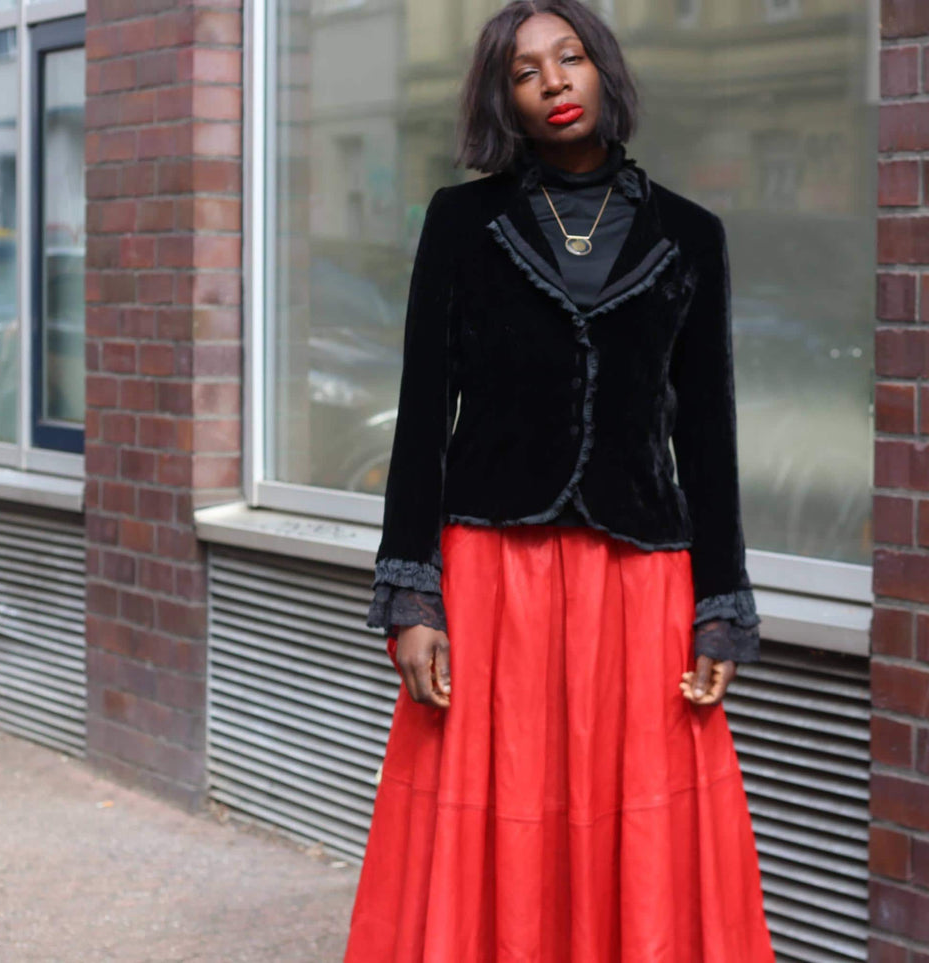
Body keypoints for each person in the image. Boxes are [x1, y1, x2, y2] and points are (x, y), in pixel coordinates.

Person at [342, 1, 776, 959]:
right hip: (493, 570)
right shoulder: (461, 223)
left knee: (637, 812)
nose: (552, 80)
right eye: (524, 69)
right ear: (504, 97)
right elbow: (422, 416)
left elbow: (707, 431)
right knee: (490, 804)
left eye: (569, 57)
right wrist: (411, 592)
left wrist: (720, 604)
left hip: (638, 578)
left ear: (602, 71)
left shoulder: (691, 235)